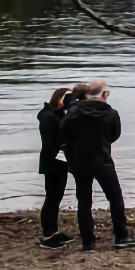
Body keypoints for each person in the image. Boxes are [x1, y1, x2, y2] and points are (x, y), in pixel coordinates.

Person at [59, 78, 135, 251]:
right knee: (115, 198)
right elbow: (114, 135)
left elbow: (63, 134)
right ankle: (121, 236)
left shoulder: (73, 113)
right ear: (104, 95)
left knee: (84, 201)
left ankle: (88, 242)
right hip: (102, 160)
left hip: (79, 161)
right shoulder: (111, 113)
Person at [36, 85, 80, 248]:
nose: (70, 101)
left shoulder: (57, 115)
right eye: (67, 98)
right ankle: (48, 236)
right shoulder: (48, 117)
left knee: (56, 197)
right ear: (58, 98)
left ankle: (53, 231)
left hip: (59, 161)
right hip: (53, 161)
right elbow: (51, 142)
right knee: (52, 198)